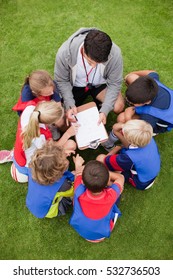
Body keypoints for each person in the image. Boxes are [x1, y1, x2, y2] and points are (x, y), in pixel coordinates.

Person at [54, 27, 124, 125]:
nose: (94, 66)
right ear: (82, 50)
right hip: (75, 85)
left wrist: (105, 110)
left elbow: (115, 83)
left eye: (99, 63)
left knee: (118, 106)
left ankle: (100, 105)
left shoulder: (115, 53)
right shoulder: (65, 53)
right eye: (90, 62)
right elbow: (62, 81)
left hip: (100, 84)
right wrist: (69, 103)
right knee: (61, 121)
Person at [0, 70, 62, 164]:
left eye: (52, 90)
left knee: (58, 128)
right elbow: (50, 150)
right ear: (36, 93)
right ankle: (13, 158)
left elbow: (58, 103)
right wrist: (68, 134)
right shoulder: (38, 135)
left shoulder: (32, 107)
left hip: (39, 119)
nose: (52, 92)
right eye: (48, 93)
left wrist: (57, 112)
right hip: (30, 162)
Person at [11, 100, 78, 183]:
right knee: (65, 164)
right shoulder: (39, 137)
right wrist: (68, 134)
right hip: (29, 167)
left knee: (70, 145)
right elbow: (52, 150)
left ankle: (12, 156)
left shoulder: (32, 109)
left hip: (23, 152)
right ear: (50, 123)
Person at [70, 155, 124, 242]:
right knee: (118, 195)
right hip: (101, 235)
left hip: (83, 233)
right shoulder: (111, 195)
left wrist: (78, 164)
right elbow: (121, 178)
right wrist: (103, 173)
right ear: (106, 181)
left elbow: (78, 174)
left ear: (83, 181)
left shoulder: (79, 189)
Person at [97, 119, 161, 190]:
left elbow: (106, 161)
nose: (122, 132)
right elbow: (115, 128)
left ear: (131, 141)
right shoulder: (146, 137)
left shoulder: (129, 158)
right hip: (149, 173)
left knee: (100, 159)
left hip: (141, 181)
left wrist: (117, 148)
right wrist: (122, 127)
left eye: (125, 134)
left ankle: (115, 188)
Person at [26, 141, 74, 218]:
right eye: (64, 159)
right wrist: (78, 168)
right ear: (56, 174)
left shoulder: (34, 168)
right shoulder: (63, 185)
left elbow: (49, 161)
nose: (66, 157)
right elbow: (73, 191)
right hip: (49, 211)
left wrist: (61, 155)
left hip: (32, 204)